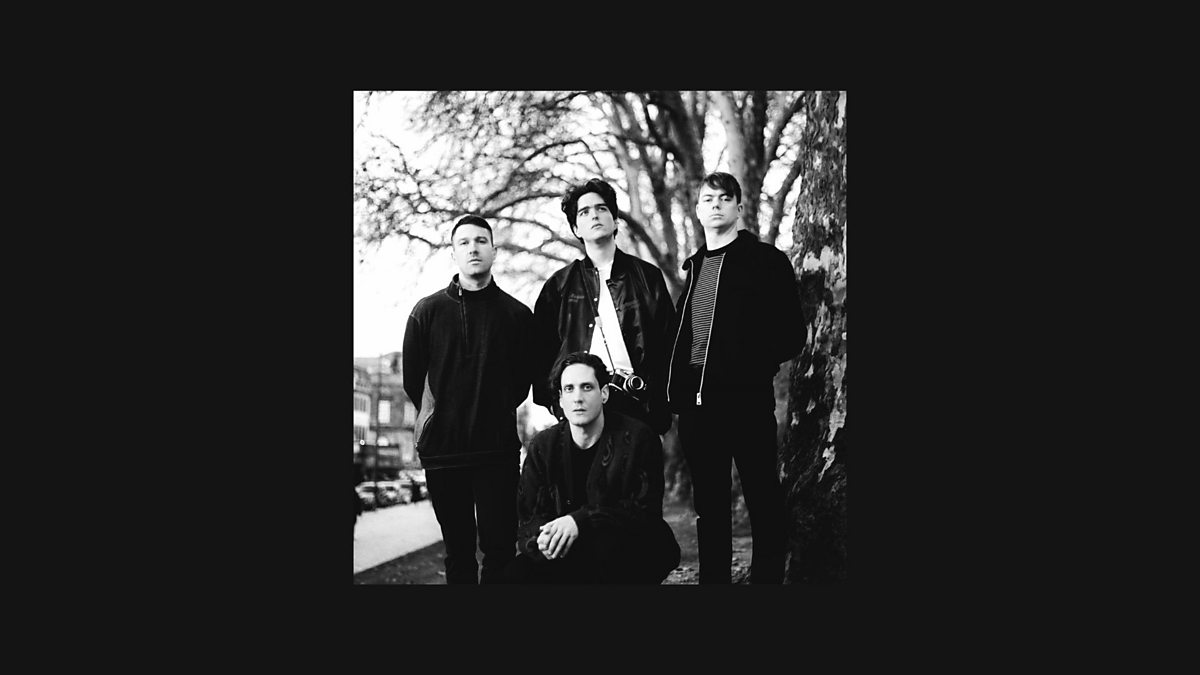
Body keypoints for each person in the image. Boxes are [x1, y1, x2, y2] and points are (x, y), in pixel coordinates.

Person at [667, 172, 806, 584]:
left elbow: (792, 334)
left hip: (747, 402)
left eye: (724, 198)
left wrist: (748, 368)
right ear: (697, 211)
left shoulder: (766, 261)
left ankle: (766, 584)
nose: (715, 205)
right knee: (709, 508)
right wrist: (678, 395)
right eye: (708, 199)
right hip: (698, 410)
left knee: (763, 499)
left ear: (739, 207)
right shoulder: (694, 269)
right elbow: (685, 342)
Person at [402, 214, 535, 584]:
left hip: (497, 452)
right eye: (464, 242)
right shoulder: (426, 312)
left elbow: (521, 384)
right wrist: (440, 419)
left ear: (494, 250)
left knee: (500, 551)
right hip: (444, 454)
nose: (473, 248)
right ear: (454, 253)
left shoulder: (517, 315)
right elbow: (413, 382)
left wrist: (492, 410)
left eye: (480, 241)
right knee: (458, 553)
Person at [503, 352, 681, 584]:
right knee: (515, 574)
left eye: (587, 387)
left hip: (622, 550)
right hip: (566, 553)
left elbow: (644, 513)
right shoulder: (543, 446)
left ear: (604, 393)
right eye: (569, 389)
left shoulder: (638, 438)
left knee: (624, 550)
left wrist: (580, 521)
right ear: (560, 399)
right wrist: (542, 539)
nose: (578, 398)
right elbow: (529, 517)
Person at [533, 178, 675, 436]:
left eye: (601, 208)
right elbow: (540, 354)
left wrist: (658, 402)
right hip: (580, 405)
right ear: (576, 228)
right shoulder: (559, 286)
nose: (594, 215)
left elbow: (669, 344)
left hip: (638, 405)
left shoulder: (647, 277)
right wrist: (557, 404)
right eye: (584, 212)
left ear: (615, 220)